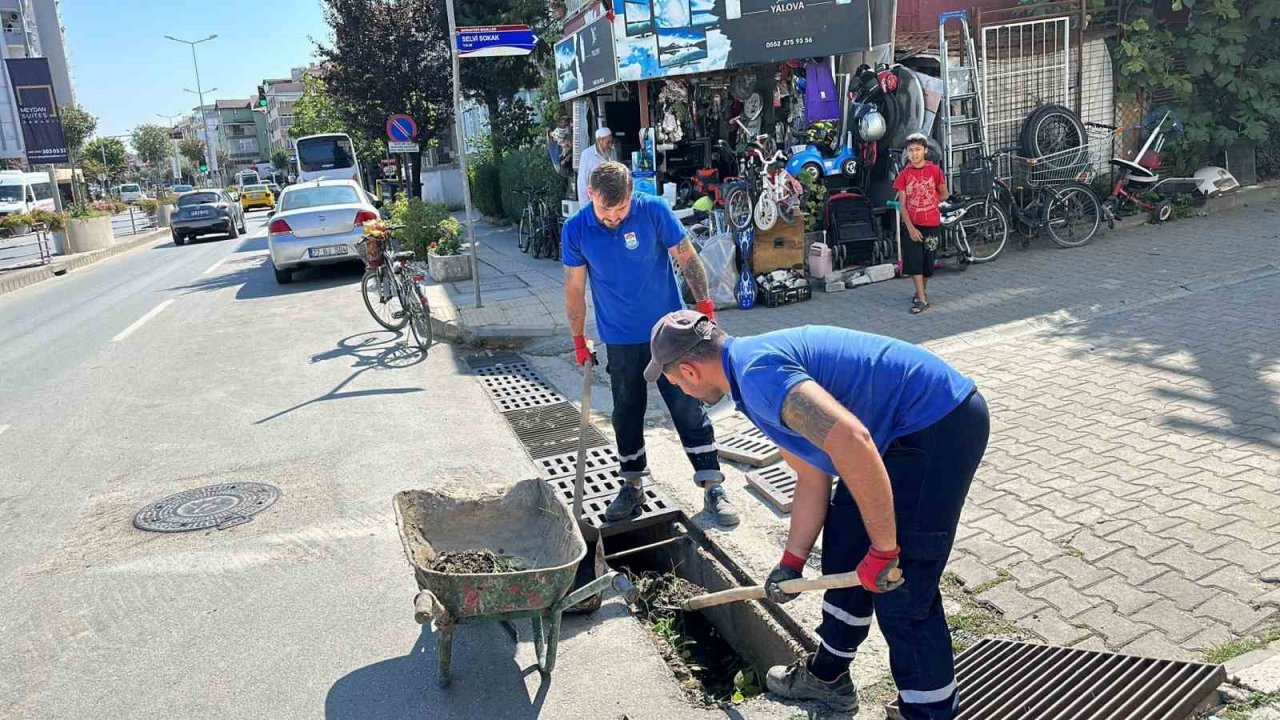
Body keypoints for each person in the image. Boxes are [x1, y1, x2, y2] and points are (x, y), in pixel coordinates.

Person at [643, 310, 989, 718]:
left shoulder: (761, 378)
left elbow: (854, 442)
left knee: (901, 587)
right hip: (897, 437)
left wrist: (884, 547)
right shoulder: (747, 376)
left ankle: (930, 713)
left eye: (677, 383)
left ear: (689, 370)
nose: (683, 391)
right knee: (843, 545)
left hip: (938, 424)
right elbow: (811, 476)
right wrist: (792, 561)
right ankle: (828, 678)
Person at [562, 161, 739, 527]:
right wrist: (579, 339)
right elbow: (574, 288)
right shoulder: (576, 230)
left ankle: (712, 485)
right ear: (590, 195)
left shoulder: (653, 210)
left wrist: (704, 308)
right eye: (605, 209)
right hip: (620, 339)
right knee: (626, 413)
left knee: (688, 407)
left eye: (621, 208)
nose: (613, 217)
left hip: (673, 335)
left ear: (631, 195)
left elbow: (687, 257)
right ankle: (631, 485)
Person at [894, 132, 949, 314]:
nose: (914, 154)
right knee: (915, 262)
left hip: (932, 224)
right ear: (906, 153)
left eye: (918, 149)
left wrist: (932, 203)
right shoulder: (904, 175)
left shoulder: (935, 171)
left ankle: (921, 291)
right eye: (911, 150)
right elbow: (902, 205)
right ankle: (922, 300)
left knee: (927, 263)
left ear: (925, 151)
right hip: (913, 226)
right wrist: (910, 228)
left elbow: (944, 193)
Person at [576, 127, 615, 203]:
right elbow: (582, 182)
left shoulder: (612, 152)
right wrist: (584, 206)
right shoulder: (587, 154)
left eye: (611, 142)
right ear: (600, 140)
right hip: (595, 201)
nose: (610, 145)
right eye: (608, 142)